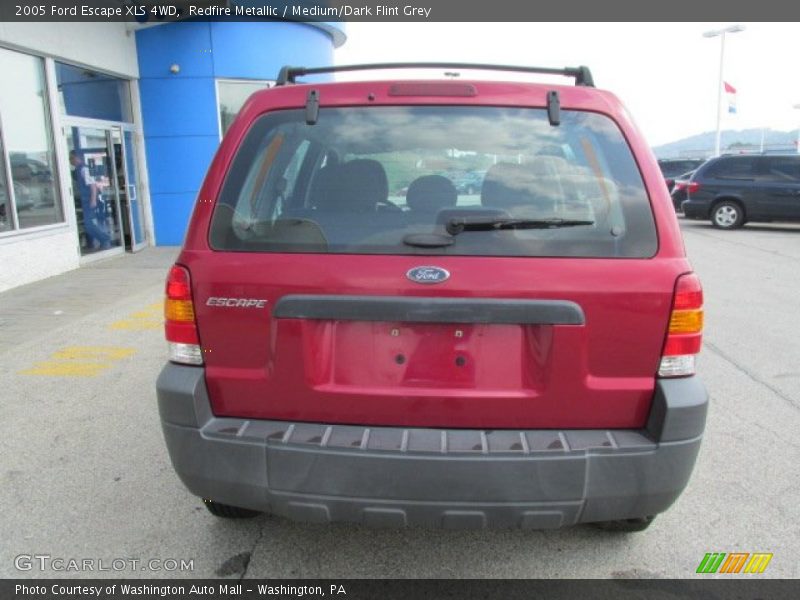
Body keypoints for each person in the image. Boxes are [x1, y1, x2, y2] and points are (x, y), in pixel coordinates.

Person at [69, 151, 111, 250]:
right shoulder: (78, 170)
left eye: (71, 158)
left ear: (77, 158)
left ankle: (104, 239)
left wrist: (93, 200)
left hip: (89, 201)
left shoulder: (84, 170)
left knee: (88, 224)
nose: (70, 161)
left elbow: (93, 186)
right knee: (87, 223)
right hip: (85, 200)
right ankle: (92, 243)